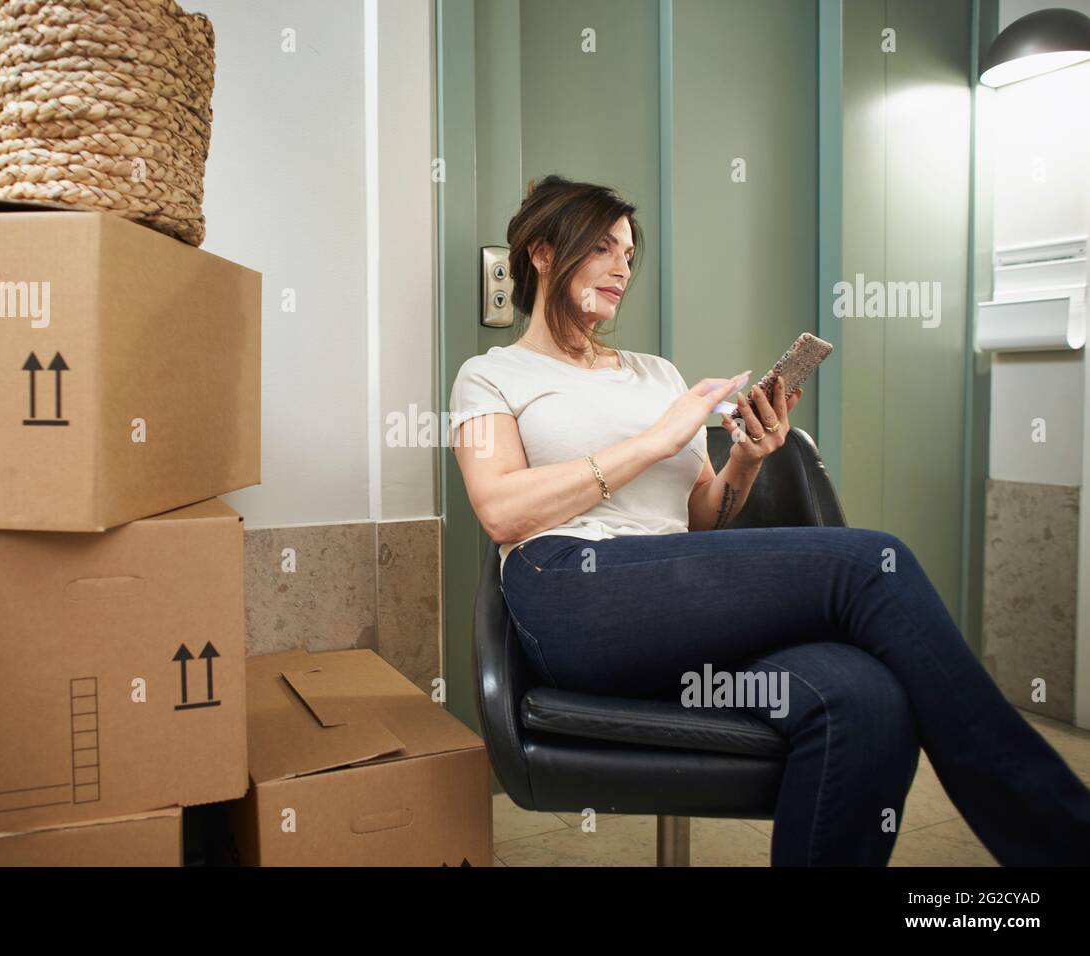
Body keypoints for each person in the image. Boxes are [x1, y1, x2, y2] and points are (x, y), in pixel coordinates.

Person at [448, 174, 1090, 866]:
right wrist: (652, 442)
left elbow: (698, 521)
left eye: (630, 254)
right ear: (542, 253)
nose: (622, 267)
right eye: (602, 247)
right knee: (875, 564)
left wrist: (748, 461)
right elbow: (501, 509)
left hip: (664, 606)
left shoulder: (657, 375)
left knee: (864, 697)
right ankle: (1062, 840)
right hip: (573, 595)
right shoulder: (490, 376)